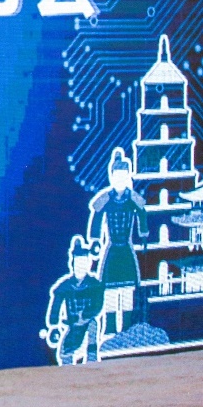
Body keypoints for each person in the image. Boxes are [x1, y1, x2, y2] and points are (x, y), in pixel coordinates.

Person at [87, 147, 148, 336]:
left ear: (128, 176)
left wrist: (143, 234)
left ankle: (127, 328)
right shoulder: (106, 198)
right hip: (112, 250)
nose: (120, 179)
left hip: (126, 250)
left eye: (123, 175)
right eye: (117, 175)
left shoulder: (132, 198)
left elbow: (142, 213)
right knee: (111, 291)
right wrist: (95, 240)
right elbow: (97, 217)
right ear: (112, 176)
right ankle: (110, 327)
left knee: (128, 290)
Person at [42, 235, 104, 365]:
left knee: (93, 325)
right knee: (65, 354)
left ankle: (92, 361)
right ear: (73, 264)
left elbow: (98, 305)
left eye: (83, 263)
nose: (80, 266)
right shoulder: (66, 286)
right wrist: (54, 323)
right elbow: (56, 303)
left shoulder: (95, 285)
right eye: (78, 263)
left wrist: (85, 315)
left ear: (88, 264)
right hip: (73, 325)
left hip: (88, 322)